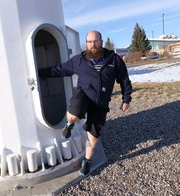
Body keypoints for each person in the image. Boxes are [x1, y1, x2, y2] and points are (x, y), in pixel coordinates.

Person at [39, 30, 132, 176]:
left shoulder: (114, 60)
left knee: (93, 137)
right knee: (74, 114)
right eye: (89, 42)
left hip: (100, 103)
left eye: (95, 41)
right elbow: (60, 70)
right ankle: (69, 124)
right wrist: (39, 72)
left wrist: (126, 99)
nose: (92, 45)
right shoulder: (79, 60)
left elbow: (124, 80)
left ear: (101, 41)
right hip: (83, 95)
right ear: (86, 43)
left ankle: (87, 161)